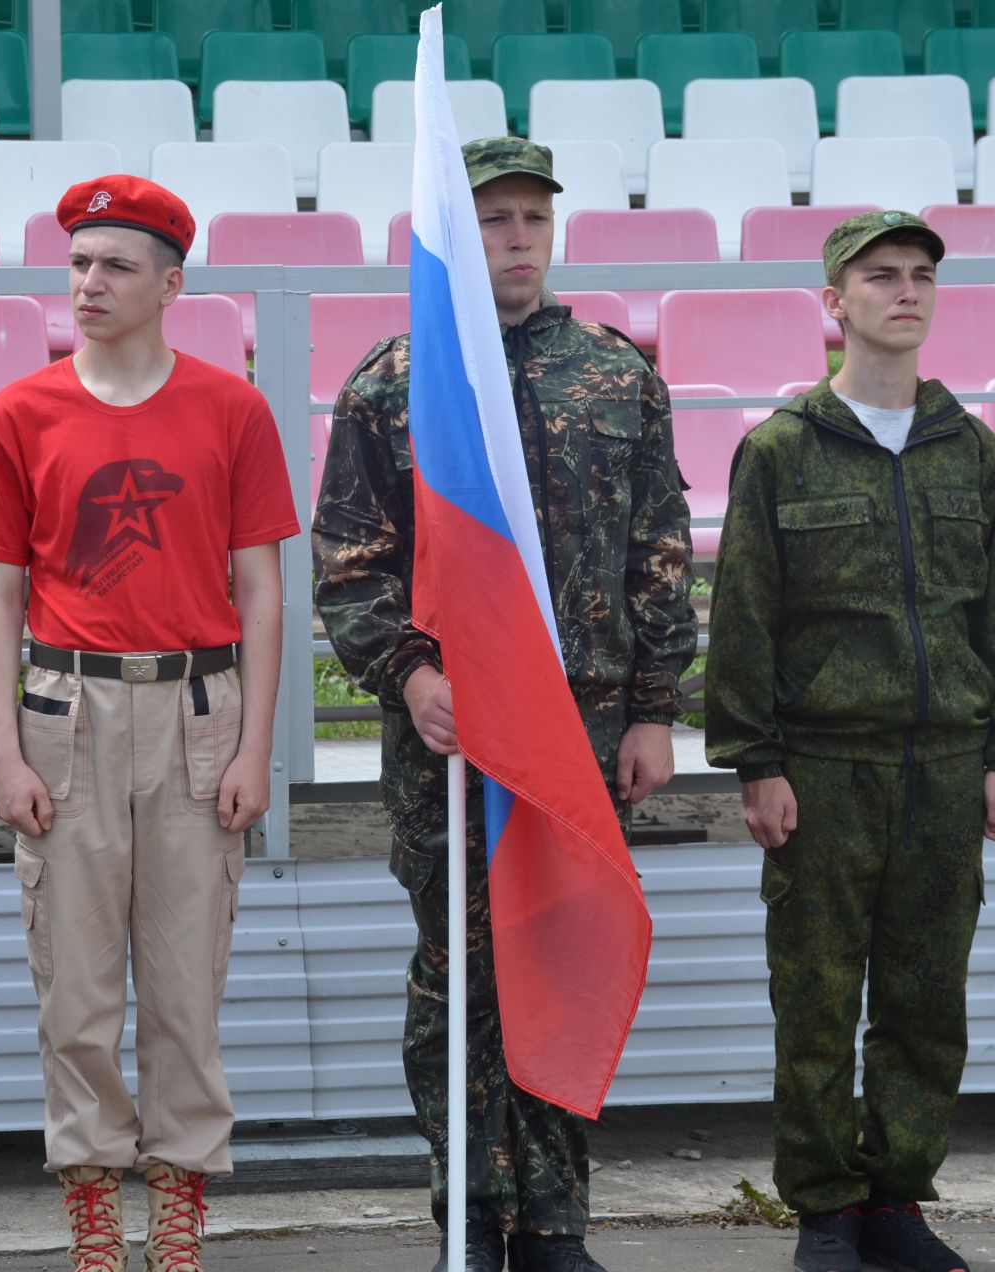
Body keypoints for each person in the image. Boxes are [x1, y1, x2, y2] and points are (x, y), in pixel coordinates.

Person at [313, 137, 696, 1272]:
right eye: (491, 221)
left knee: (559, 959)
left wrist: (655, 709)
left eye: (532, 217)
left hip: (577, 729)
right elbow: (351, 560)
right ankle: (471, 1213)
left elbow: (660, 554)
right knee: (457, 971)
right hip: (449, 732)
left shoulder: (619, 376)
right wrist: (412, 676)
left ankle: (556, 1219)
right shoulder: (397, 382)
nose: (516, 238)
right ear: (451, 238)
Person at [0, 174, 300, 1272]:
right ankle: (94, 1199)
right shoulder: (21, 412)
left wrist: (255, 749)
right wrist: (3, 750)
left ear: (172, 284)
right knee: (78, 987)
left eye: (116, 266)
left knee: (187, 986)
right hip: (69, 712)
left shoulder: (231, 409)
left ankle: (181, 1196)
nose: (90, 283)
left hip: (199, 711)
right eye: (80, 263)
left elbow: (264, 592)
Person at [703, 210, 995, 1272]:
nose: (906, 292)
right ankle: (824, 1208)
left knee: (925, 993)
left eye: (921, 277)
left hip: (946, 761)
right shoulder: (780, 449)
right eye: (881, 276)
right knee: (813, 995)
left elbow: (993, 611)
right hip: (824, 764)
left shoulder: (970, 448)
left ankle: (896, 1199)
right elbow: (746, 616)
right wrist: (755, 762)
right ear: (834, 303)